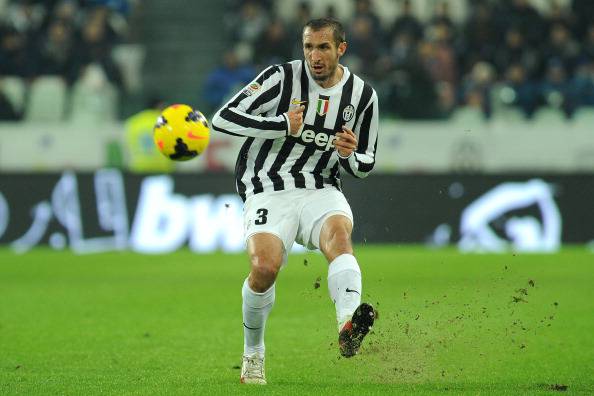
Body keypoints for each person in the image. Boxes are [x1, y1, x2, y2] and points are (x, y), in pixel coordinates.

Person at [211, 17, 379, 385]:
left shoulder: (363, 96)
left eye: (323, 47)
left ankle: (347, 326)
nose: (314, 56)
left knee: (340, 240)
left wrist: (350, 155)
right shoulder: (281, 78)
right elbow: (222, 119)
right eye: (308, 47)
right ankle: (253, 355)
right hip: (268, 186)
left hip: (321, 187)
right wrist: (281, 125)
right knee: (265, 267)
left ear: (341, 49)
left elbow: (365, 163)